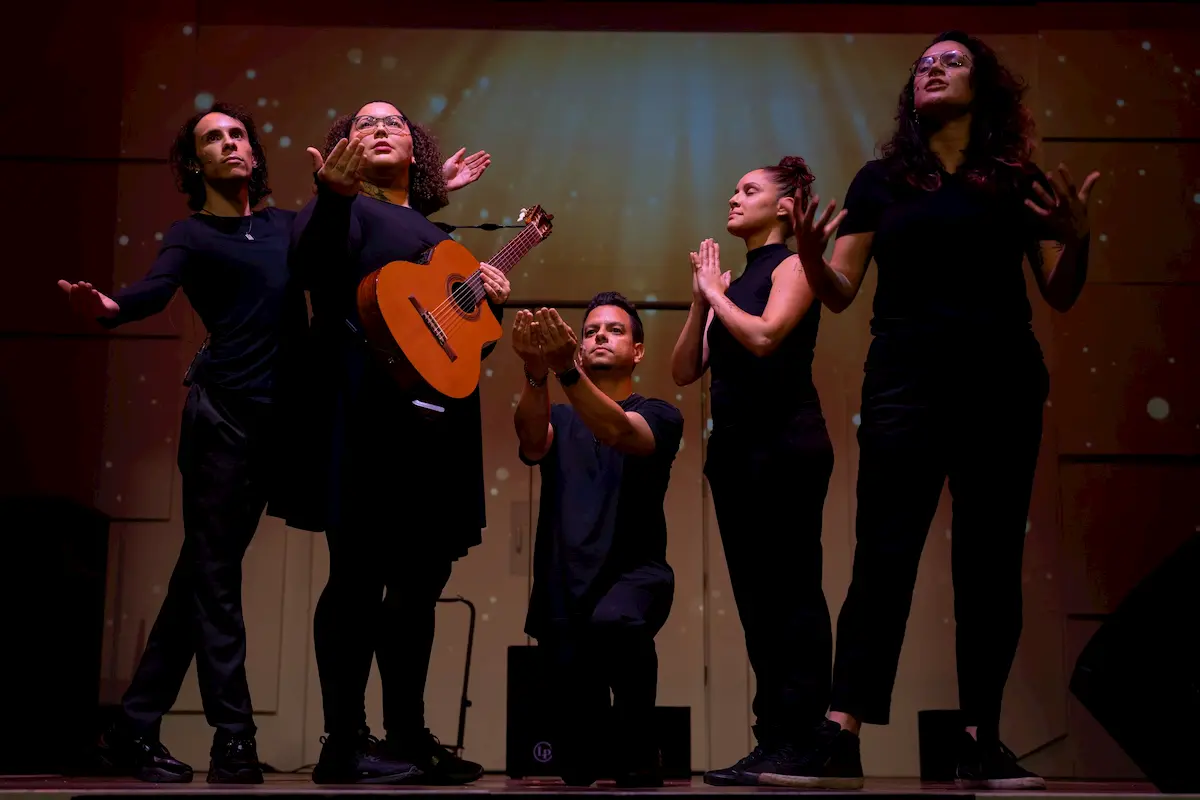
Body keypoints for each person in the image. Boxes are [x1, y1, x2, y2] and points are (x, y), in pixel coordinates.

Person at [790, 31, 1100, 790]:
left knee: (988, 562)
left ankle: (980, 739)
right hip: (904, 382)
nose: (932, 67)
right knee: (882, 554)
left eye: (950, 60)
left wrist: (1079, 241)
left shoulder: (1015, 180)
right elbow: (838, 291)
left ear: (984, 85)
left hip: (1000, 383)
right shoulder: (881, 181)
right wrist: (805, 255)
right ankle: (842, 734)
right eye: (923, 63)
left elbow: (1059, 290)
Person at [57, 103, 301, 784]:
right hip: (220, 422)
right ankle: (234, 739)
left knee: (200, 576)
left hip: (274, 427)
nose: (229, 144)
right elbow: (151, 290)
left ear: (253, 152)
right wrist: (107, 309)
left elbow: (355, 230)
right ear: (196, 164)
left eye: (237, 135)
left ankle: (133, 727)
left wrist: (433, 194)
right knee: (216, 581)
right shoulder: (191, 235)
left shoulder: (289, 228)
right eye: (213, 139)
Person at [288, 102, 509, 785]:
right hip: (361, 407)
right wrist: (333, 196)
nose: (381, 126)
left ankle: (408, 738)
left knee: (420, 581)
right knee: (357, 574)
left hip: (435, 421)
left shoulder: (437, 233)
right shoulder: (337, 205)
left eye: (395, 122)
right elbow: (312, 271)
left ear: (415, 151)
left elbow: (458, 336)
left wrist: (491, 298)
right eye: (364, 122)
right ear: (343, 148)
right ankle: (344, 742)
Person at [670, 158, 862, 789]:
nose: (733, 197)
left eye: (749, 190)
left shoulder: (792, 266)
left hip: (786, 447)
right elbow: (682, 370)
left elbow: (764, 336)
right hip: (736, 453)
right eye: (733, 189)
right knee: (757, 603)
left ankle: (808, 740)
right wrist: (701, 301)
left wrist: (718, 295)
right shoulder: (731, 280)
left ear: (786, 207)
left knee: (791, 595)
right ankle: (774, 739)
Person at [512, 293, 683, 788]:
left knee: (618, 624)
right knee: (578, 770)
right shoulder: (559, 417)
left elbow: (619, 431)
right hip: (565, 588)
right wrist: (534, 370)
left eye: (614, 330)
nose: (599, 336)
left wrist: (566, 373)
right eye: (589, 332)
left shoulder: (660, 413)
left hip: (634, 578)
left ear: (638, 351)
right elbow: (529, 440)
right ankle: (605, 746)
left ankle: (639, 745)